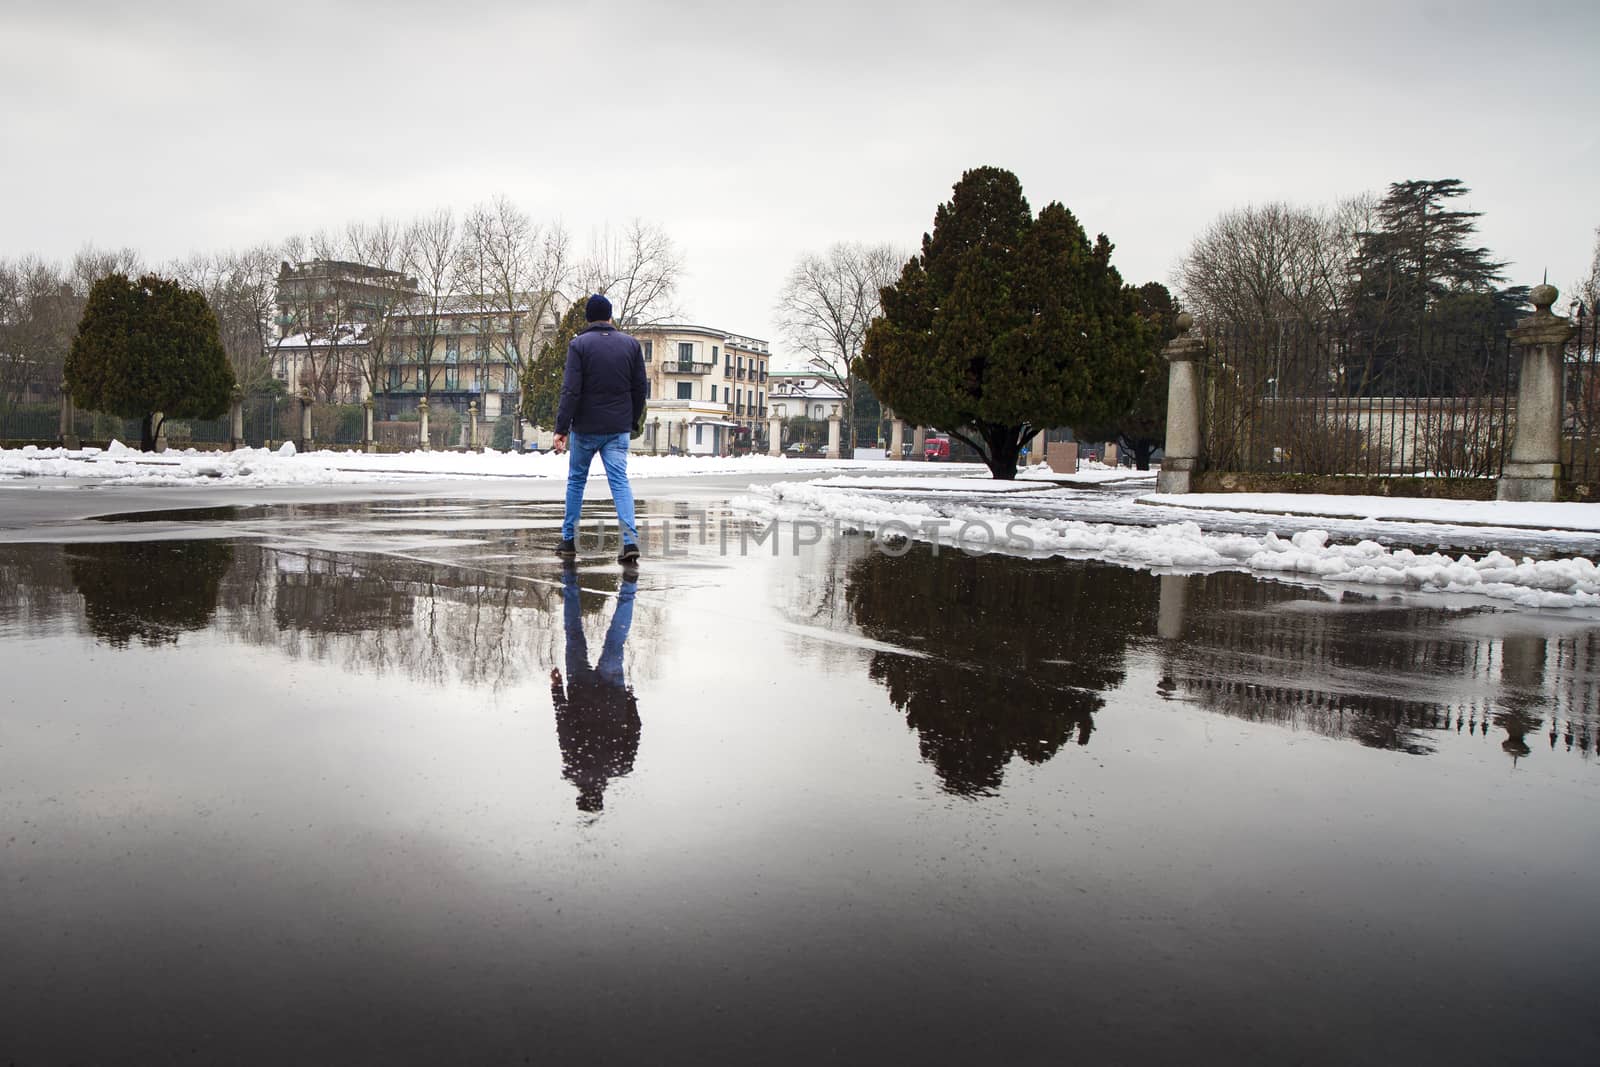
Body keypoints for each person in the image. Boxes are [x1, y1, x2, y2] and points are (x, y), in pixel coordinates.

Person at [553, 293, 647, 562]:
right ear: (610, 316)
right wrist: (632, 419)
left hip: (585, 427)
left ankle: (569, 540)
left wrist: (562, 427)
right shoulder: (631, 345)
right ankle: (629, 542)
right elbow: (640, 387)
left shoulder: (579, 345)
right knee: (620, 482)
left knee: (576, 481)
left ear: (588, 318)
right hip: (617, 428)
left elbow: (570, 390)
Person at [550, 564, 640, 814]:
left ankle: (630, 585)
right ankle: (569, 580)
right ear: (581, 795)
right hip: (581, 692)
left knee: (616, 638)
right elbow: (565, 726)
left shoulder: (620, 766)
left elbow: (634, 730)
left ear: (601, 794)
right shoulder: (572, 765)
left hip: (612, 694)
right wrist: (557, 690)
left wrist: (630, 700)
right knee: (574, 634)